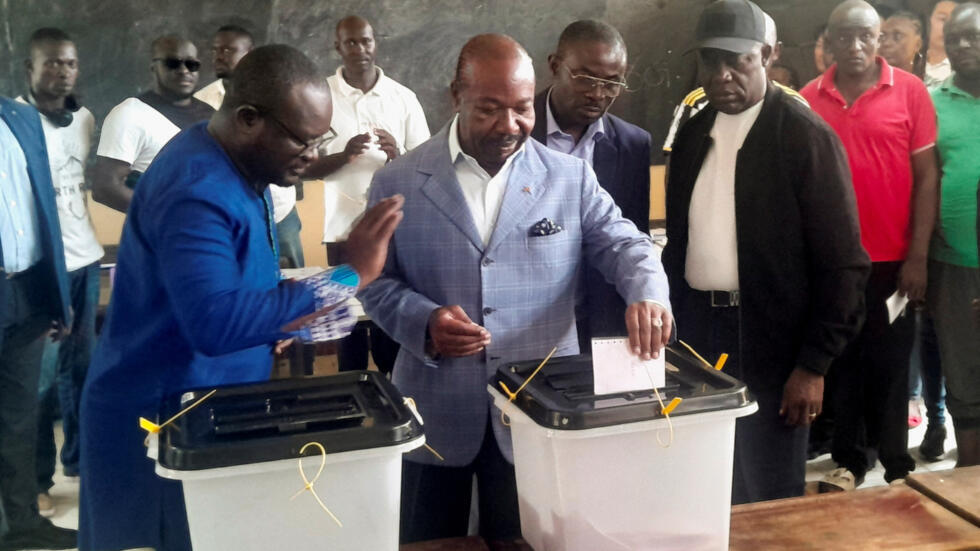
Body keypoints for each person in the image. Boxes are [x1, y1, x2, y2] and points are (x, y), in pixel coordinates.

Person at [77, 45, 404, 551]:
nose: (314, 156)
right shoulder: (196, 189)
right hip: (161, 421)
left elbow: (235, 286)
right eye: (303, 140)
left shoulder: (234, 163)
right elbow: (216, 323)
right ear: (249, 119)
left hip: (206, 403)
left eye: (322, 140)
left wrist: (274, 326)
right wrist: (349, 276)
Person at [358, 34, 672, 543]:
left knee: (531, 539)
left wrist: (648, 294)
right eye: (489, 108)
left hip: (539, 411)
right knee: (426, 539)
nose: (509, 126)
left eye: (523, 109)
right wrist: (424, 322)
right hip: (434, 408)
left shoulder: (569, 177)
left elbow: (625, 244)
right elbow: (375, 283)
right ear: (455, 95)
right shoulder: (399, 180)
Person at [665, 0, 869, 505]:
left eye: (740, 61)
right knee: (701, 482)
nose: (723, 75)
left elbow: (844, 264)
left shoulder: (804, 137)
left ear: (770, 55)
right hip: (697, 337)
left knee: (768, 494)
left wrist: (814, 365)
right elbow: (680, 240)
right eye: (711, 61)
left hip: (773, 343)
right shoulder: (693, 133)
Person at [802, 0, 940, 490]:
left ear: (879, 39)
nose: (856, 46)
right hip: (833, 263)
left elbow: (927, 180)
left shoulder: (910, 92)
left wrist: (917, 256)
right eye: (845, 36)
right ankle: (849, 461)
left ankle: (898, 466)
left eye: (866, 36)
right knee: (841, 362)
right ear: (828, 42)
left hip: (893, 262)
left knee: (892, 362)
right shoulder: (806, 99)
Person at [304, 15, 430, 375]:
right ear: (338, 47)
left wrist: (398, 155)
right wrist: (344, 155)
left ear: (376, 43)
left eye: (366, 41)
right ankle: (351, 396)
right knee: (345, 323)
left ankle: (394, 394)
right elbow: (303, 167)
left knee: (391, 315)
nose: (360, 49)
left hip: (394, 229)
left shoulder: (402, 98)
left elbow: (428, 171)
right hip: (341, 231)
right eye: (351, 43)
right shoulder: (319, 95)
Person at [16, 27, 101, 520]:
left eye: (68, 63)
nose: (61, 71)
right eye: (50, 63)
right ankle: (37, 482)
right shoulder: (12, 122)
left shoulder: (85, 118)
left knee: (82, 369)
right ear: (29, 69)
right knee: (41, 382)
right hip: (40, 272)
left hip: (86, 260)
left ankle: (81, 462)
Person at [530, 19, 651, 349]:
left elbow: (632, 238)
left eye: (612, 83)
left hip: (605, 324)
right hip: (528, 323)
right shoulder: (514, 132)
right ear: (555, 66)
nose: (597, 94)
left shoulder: (633, 145)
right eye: (585, 78)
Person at [0, 94, 75, 548]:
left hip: (26, 290)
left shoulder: (22, 118)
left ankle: (23, 526)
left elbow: (45, 207)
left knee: (20, 419)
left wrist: (56, 299)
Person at [193, 25, 303, 269]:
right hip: (230, 211)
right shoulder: (201, 102)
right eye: (215, 50)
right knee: (243, 278)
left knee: (295, 282)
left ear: (250, 53)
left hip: (279, 211)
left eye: (228, 50)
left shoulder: (279, 93)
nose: (219, 56)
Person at [927, 1, 980, 468]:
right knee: (962, 372)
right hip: (952, 264)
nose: (963, 45)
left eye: (974, 37)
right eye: (956, 37)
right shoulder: (931, 102)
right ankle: (969, 470)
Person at [91, 35, 214, 213]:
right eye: (173, 63)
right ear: (153, 67)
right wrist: (165, 216)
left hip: (215, 229)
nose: (184, 70)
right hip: (163, 234)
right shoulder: (130, 114)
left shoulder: (212, 114)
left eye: (191, 64)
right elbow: (105, 188)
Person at [662, 10, 808, 156]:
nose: (722, 75)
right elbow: (675, 167)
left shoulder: (795, 110)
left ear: (767, 53)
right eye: (710, 60)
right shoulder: (696, 103)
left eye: (735, 59)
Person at [925, 1, 963, 86]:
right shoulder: (911, 60)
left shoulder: (964, 70)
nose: (948, 26)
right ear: (928, 21)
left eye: (955, 22)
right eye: (943, 19)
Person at [880, 10, 926, 75]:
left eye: (897, 36)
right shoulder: (868, 81)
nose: (886, 43)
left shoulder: (929, 83)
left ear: (917, 45)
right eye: (883, 36)